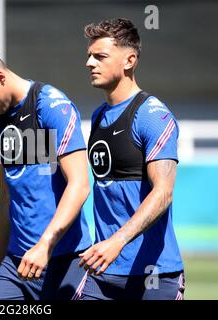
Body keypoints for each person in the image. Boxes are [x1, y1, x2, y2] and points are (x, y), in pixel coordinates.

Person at [0, 47, 92, 300]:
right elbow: (5, 194)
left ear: (0, 77)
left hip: (66, 261)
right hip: (17, 263)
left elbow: (80, 184)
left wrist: (44, 245)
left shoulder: (50, 105)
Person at [78, 18, 185, 300]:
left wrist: (117, 242)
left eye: (100, 56)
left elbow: (163, 192)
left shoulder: (152, 116)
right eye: (89, 55)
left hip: (154, 276)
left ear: (129, 61)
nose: (90, 63)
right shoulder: (100, 116)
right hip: (103, 272)